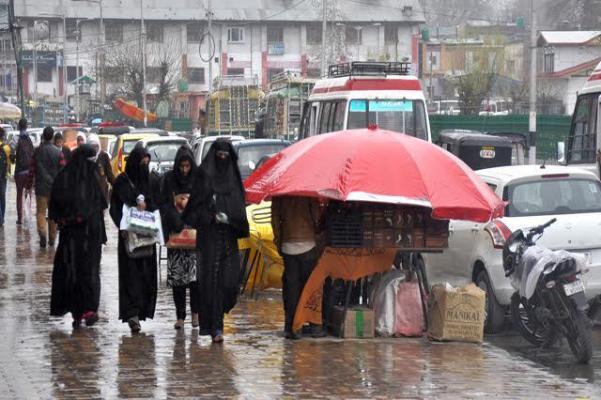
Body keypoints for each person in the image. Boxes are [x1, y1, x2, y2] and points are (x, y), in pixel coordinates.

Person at [183, 140, 249, 343]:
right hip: (209, 239)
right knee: (211, 284)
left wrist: (230, 218)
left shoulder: (233, 178)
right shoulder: (204, 176)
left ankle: (219, 320)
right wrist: (209, 215)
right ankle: (215, 327)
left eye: (225, 155)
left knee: (229, 283)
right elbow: (194, 209)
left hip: (228, 238)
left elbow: (239, 206)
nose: (222, 159)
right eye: (219, 155)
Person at [49, 144, 107, 328]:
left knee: (87, 272)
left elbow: (100, 205)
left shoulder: (90, 177)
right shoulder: (68, 177)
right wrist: (69, 218)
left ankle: (87, 309)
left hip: (87, 236)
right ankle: (78, 311)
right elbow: (56, 206)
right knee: (75, 272)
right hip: (77, 237)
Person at [110, 145, 158, 334]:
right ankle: (132, 314)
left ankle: (142, 310)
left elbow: (157, 204)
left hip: (146, 238)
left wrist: (148, 207)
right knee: (130, 277)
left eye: (147, 163)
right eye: (142, 163)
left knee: (146, 276)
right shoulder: (122, 182)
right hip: (128, 239)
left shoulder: (150, 180)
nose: (144, 167)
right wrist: (121, 227)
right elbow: (114, 207)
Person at [271, 196, 325, 339]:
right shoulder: (307, 191)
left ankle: (292, 327)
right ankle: (315, 326)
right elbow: (316, 218)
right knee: (311, 288)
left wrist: (279, 242)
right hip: (309, 244)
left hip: (288, 246)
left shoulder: (280, 194)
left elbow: (275, 221)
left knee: (291, 288)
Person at [159, 145, 199, 330]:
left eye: (187, 166)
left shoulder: (199, 179)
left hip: (195, 237)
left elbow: (204, 204)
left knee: (195, 279)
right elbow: (164, 205)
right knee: (178, 279)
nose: (184, 170)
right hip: (176, 237)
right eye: (181, 166)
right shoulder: (169, 180)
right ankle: (180, 316)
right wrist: (177, 222)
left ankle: (196, 314)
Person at [28, 126, 63, 248]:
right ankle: (52, 239)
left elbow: (32, 170)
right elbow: (63, 171)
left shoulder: (37, 151)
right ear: (52, 136)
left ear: (43, 136)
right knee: (53, 213)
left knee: (41, 213)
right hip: (54, 189)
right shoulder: (58, 152)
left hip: (41, 188)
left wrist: (28, 186)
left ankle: (42, 233)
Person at [12, 118, 34, 225]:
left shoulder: (16, 138)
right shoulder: (30, 139)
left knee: (19, 195)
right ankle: (28, 216)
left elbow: (12, 155)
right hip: (29, 171)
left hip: (19, 171)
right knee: (28, 194)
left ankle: (20, 218)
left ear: (18, 126)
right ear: (26, 126)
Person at [87, 133, 115, 202]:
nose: (94, 149)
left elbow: (109, 174)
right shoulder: (83, 157)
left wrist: (117, 185)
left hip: (101, 193)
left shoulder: (103, 156)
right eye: (92, 146)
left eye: (96, 146)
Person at [0, 127, 11, 227]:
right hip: (3, 176)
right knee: (2, 196)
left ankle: (0, 218)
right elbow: (9, 162)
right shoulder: (6, 147)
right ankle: (2, 218)